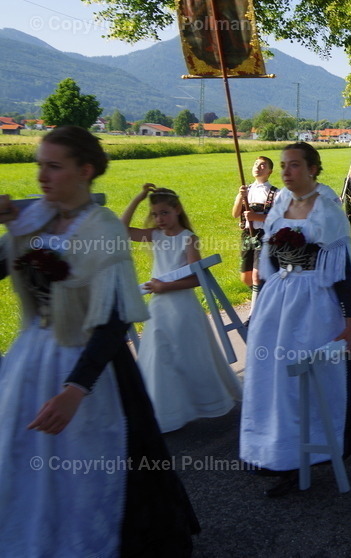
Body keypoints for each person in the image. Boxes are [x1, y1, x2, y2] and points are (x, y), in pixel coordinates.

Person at [0, 126, 199, 555]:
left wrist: (75, 390)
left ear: (85, 170)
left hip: (88, 366)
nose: (42, 176)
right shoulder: (33, 218)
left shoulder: (101, 227)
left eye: (54, 166)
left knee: (94, 469)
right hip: (31, 359)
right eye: (40, 165)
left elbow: (113, 323)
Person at [240, 142, 351, 497]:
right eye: (284, 165)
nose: (286, 172)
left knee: (307, 379)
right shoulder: (280, 205)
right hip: (278, 301)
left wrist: (350, 323)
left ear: (313, 169)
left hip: (315, 302)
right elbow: (268, 261)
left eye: (295, 165)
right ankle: (277, 454)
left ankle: (313, 450)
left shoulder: (328, 211)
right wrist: (260, 306)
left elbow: (342, 273)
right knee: (273, 380)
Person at [122, 184, 241, 433]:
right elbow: (122, 230)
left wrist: (165, 286)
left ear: (177, 209)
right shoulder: (154, 235)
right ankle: (166, 411)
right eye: (155, 214)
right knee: (159, 353)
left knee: (189, 354)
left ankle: (199, 402)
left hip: (182, 306)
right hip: (159, 308)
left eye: (164, 213)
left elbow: (197, 278)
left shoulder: (188, 238)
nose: (159, 219)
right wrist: (139, 197)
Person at [231, 155, 277, 293]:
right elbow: (235, 214)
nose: (258, 167)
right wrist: (241, 196)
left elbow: (278, 219)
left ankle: (260, 302)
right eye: (256, 164)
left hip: (264, 236)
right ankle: (265, 294)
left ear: (269, 171)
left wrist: (256, 217)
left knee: (257, 275)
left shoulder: (275, 193)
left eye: (263, 165)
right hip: (247, 236)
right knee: (246, 277)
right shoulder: (246, 190)